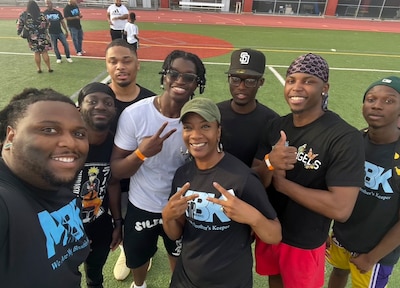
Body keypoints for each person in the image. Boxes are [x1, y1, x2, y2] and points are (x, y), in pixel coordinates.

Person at [253, 53, 365, 288]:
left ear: (325, 87)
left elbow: (341, 208)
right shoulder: (276, 125)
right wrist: (270, 163)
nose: (297, 87)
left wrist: (283, 185)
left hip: (304, 242)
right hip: (271, 229)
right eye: (291, 80)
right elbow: (256, 181)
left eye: (308, 81)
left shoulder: (344, 137)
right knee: (274, 281)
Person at [110, 50, 206, 288]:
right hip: (143, 204)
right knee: (137, 257)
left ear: (197, 83)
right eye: (174, 73)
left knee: (180, 257)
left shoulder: (199, 120)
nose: (180, 80)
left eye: (189, 77)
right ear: (164, 76)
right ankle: (139, 285)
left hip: (181, 207)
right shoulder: (135, 114)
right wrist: (142, 153)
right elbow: (116, 170)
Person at [162, 97, 282, 288]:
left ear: (218, 131)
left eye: (205, 127)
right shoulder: (182, 174)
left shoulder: (242, 177)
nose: (195, 135)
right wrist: (167, 217)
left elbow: (274, 235)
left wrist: (252, 217)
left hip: (231, 282)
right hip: (185, 279)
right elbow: (175, 234)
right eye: (188, 127)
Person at [0, 88, 90, 287]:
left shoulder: (55, 181)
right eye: (48, 130)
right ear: (11, 136)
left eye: (79, 133)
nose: (70, 142)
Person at [327, 76, 400, 288]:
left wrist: (373, 256)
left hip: (375, 252)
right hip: (343, 238)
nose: (377, 105)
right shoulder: (354, 142)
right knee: (338, 272)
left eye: (389, 101)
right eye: (371, 99)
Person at [105, 38, 157, 281]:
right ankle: (128, 248)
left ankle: (135, 249)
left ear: (138, 64)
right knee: (117, 221)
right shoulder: (96, 101)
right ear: (106, 66)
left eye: (126, 60)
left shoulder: (153, 102)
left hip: (142, 183)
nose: (120, 66)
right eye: (113, 61)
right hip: (108, 179)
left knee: (139, 223)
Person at [74, 82, 123, 287]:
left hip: (99, 222)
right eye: (92, 101)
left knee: (95, 275)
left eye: (107, 103)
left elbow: (112, 183)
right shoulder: (65, 142)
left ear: (114, 111)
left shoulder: (116, 145)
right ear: (78, 109)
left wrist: (118, 223)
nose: (101, 106)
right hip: (66, 226)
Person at [217, 48, 279, 167]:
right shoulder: (214, 114)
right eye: (235, 79)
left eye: (250, 81)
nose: (241, 86)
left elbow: (266, 168)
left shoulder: (272, 121)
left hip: (254, 183)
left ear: (261, 82)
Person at [17, 0, 53, 73]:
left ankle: (39, 69)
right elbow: (48, 24)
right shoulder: (41, 15)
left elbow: (19, 24)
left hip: (32, 37)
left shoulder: (24, 15)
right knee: (44, 52)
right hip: (43, 36)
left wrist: (19, 32)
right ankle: (49, 68)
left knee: (36, 53)